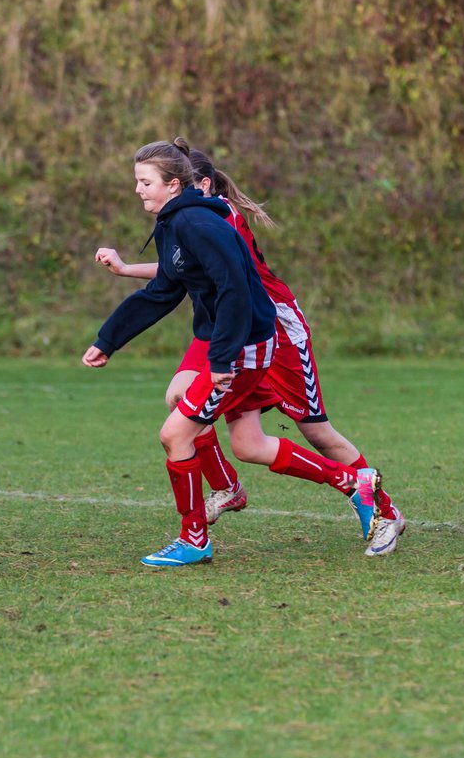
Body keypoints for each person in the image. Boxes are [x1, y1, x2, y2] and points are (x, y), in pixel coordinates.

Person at [83, 139, 395, 567]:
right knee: (236, 437)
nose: (137, 189)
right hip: (231, 333)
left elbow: (231, 284)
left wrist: (221, 361)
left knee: (313, 431)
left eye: (144, 181)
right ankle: (229, 491)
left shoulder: (206, 220)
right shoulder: (179, 221)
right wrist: (109, 335)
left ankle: (376, 502)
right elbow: (175, 278)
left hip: (263, 331)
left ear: (186, 184)